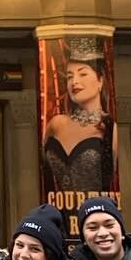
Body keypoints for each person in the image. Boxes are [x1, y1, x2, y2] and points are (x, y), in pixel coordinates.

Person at [43, 45, 117, 216]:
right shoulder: (56, 123)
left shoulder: (109, 128)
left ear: (100, 81)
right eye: (70, 77)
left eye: (82, 74)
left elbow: (109, 181)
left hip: (94, 215)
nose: (74, 81)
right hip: (56, 215)